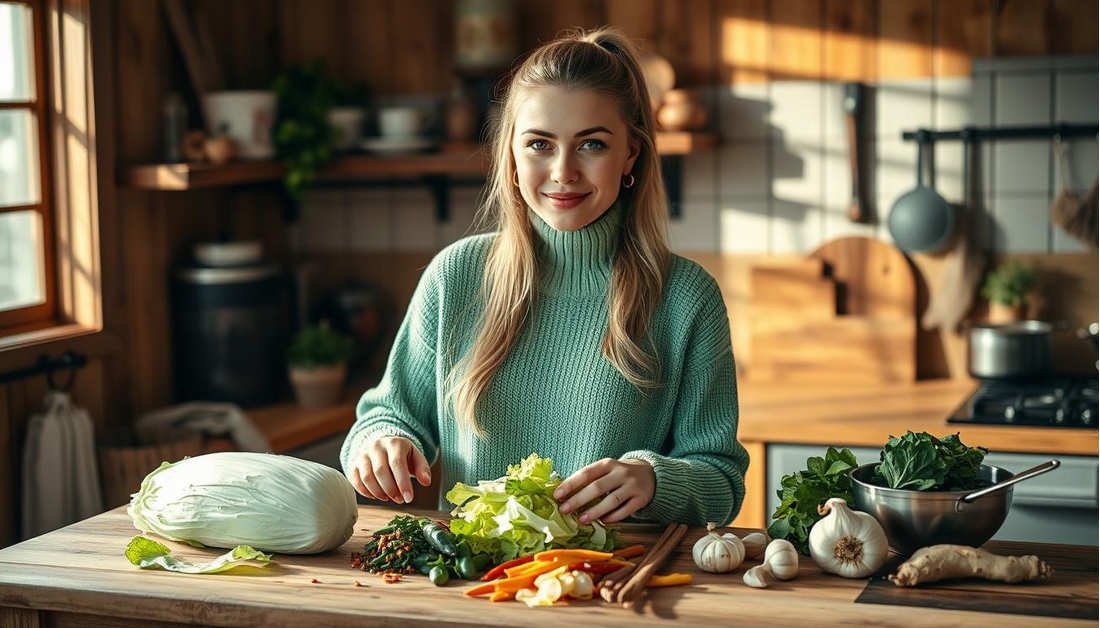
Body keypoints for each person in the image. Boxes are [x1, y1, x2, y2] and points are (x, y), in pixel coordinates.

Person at [341, 27, 748, 526]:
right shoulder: (456, 276)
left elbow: (721, 481)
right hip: (477, 583)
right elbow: (388, 415)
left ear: (631, 156)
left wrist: (655, 479)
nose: (563, 171)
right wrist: (380, 445)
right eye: (539, 144)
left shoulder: (687, 298)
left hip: (617, 584)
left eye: (592, 144)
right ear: (511, 156)